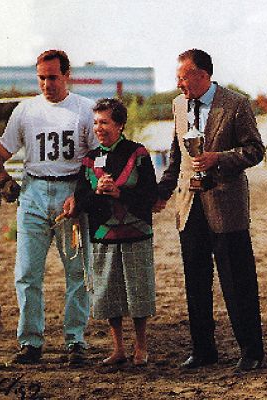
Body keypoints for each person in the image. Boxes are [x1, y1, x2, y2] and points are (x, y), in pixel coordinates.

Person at [154, 49, 265, 371]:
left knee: (237, 281)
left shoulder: (236, 104)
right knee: (196, 281)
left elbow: (255, 150)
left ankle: (251, 351)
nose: (179, 83)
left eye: (183, 77)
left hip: (226, 206)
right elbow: (177, 156)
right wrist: (162, 191)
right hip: (189, 206)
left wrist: (219, 159)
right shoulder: (178, 105)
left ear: (203, 75)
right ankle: (203, 350)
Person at [0, 49, 98, 365]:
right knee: (26, 272)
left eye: (52, 77)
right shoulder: (25, 110)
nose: (46, 84)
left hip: (71, 193)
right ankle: (30, 341)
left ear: (66, 75)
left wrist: (81, 196)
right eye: (41, 78)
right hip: (33, 192)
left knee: (77, 272)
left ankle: (75, 339)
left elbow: (97, 159)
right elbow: (3, 151)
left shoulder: (85, 109)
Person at [74, 98, 158, 366]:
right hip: (103, 236)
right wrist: (98, 192)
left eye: (105, 122)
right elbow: (81, 200)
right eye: (95, 122)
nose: (98, 128)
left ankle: (141, 346)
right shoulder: (89, 160)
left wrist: (120, 193)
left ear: (120, 125)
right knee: (108, 291)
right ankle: (118, 347)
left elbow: (150, 194)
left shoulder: (138, 153)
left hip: (136, 233)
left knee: (138, 289)